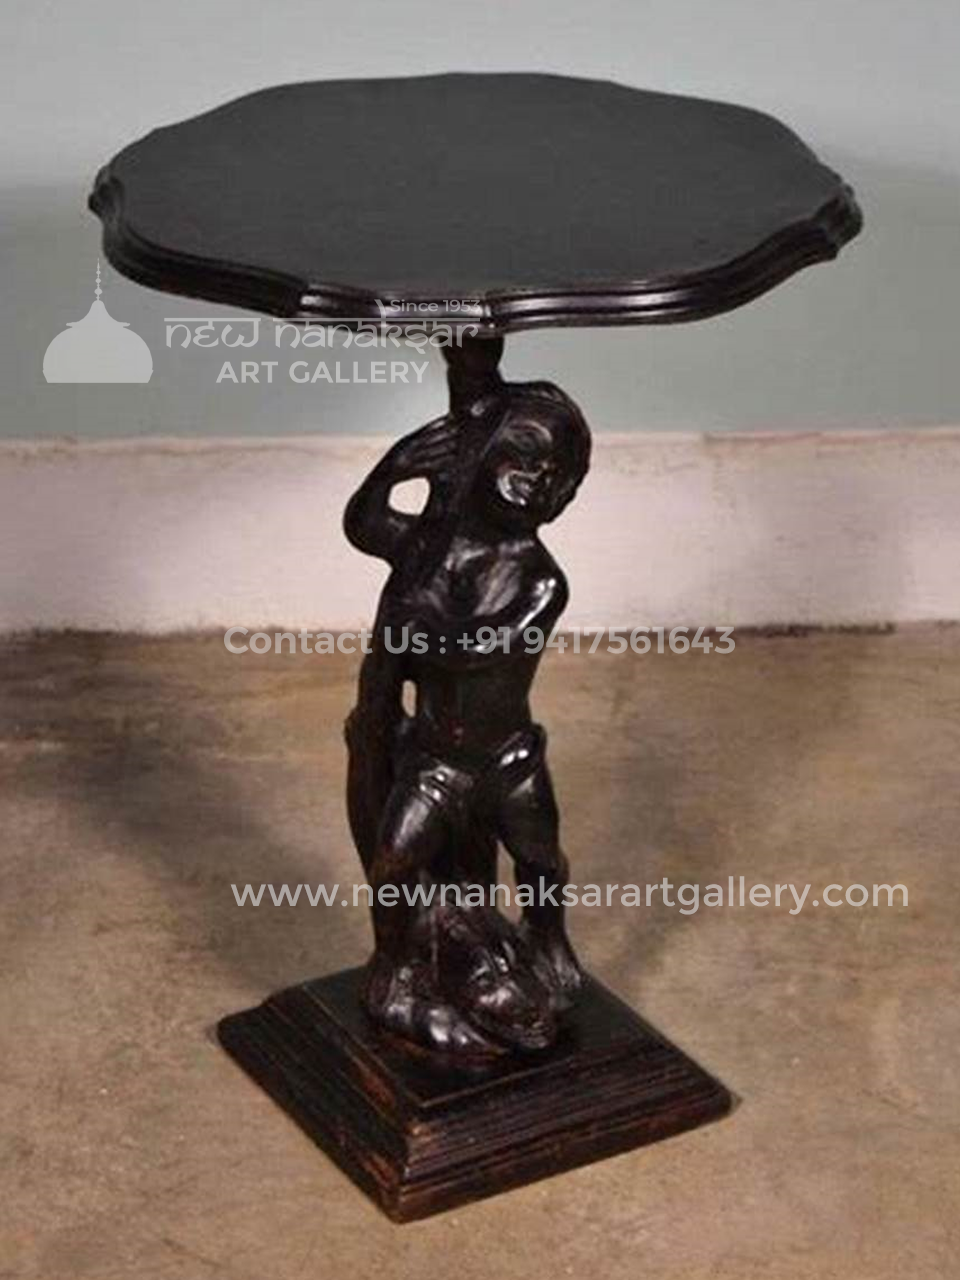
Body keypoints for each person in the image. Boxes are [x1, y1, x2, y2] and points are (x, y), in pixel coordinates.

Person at [344, 373, 590, 1056]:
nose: (540, 483)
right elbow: (364, 526)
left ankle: (547, 935)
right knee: (394, 864)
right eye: (525, 457)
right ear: (480, 456)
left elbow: (478, 647)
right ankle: (394, 976)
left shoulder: (541, 579)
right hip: (435, 761)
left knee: (540, 859)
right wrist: (396, 467)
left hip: (508, 757)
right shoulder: (433, 544)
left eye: (561, 474)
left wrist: (414, 617)